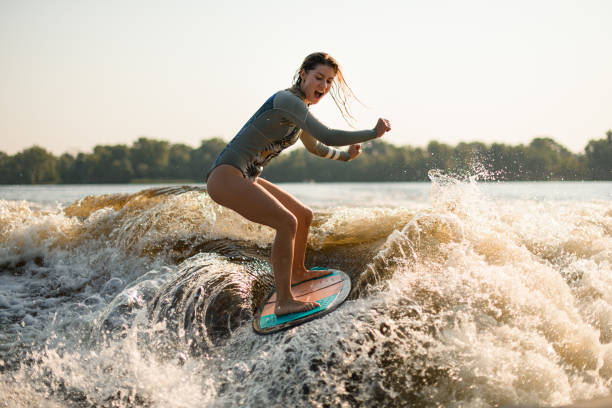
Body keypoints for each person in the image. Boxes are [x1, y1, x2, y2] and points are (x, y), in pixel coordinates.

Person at [206, 52, 391, 316]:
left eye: (329, 82)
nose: (324, 87)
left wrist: (344, 158)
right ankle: (284, 301)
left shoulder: (298, 109)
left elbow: (315, 146)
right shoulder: (286, 101)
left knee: (303, 215)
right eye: (319, 78)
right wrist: (373, 133)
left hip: (245, 176)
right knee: (286, 221)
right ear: (303, 74)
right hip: (226, 176)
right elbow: (327, 134)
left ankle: (298, 273)